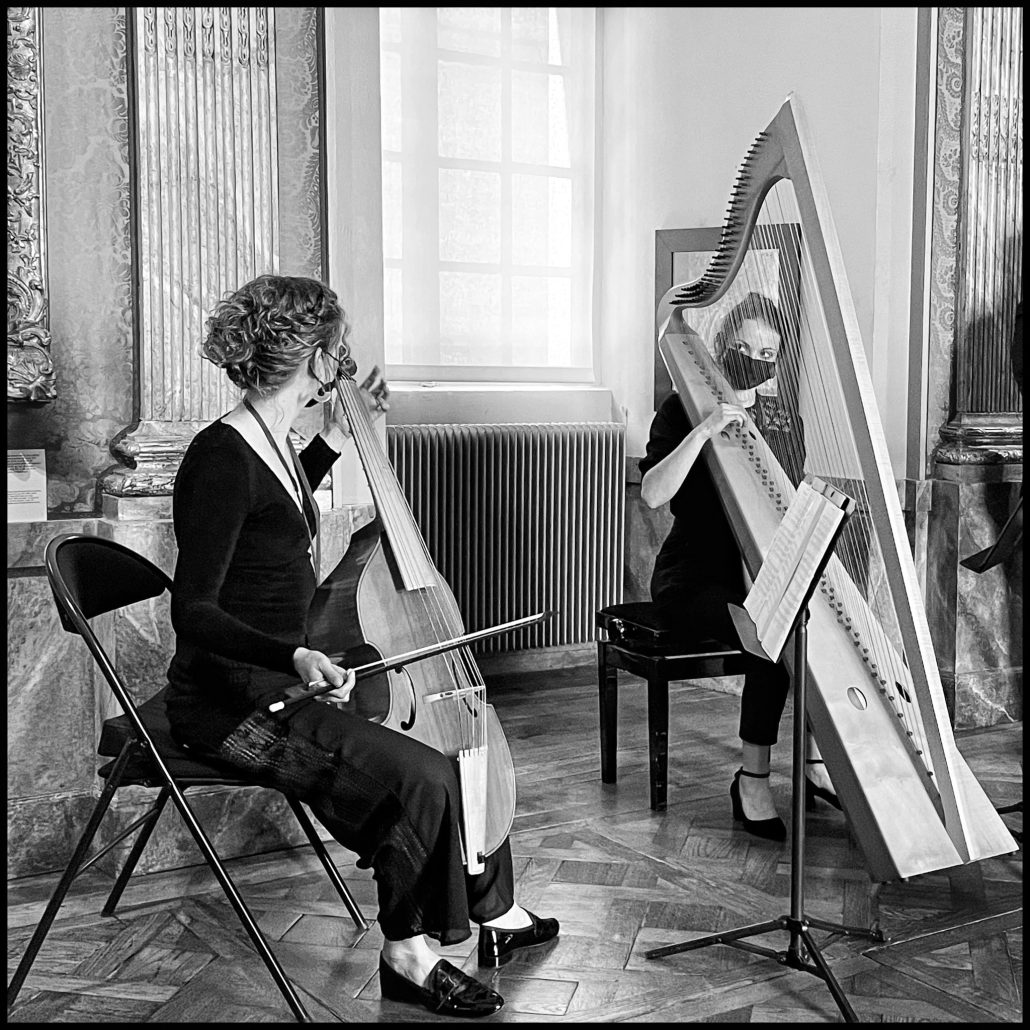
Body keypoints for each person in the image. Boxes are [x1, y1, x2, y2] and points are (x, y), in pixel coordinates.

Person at [165, 274, 558, 1018]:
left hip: (283, 684)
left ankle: (478, 911)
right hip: (228, 704)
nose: (341, 362)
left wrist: (335, 444)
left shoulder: (267, 444)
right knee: (419, 777)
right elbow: (194, 612)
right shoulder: (219, 457)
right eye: (337, 349)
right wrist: (293, 658)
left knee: (443, 758)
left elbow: (272, 513)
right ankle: (408, 954)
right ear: (316, 358)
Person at [640, 292, 839, 840]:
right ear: (723, 346)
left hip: (758, 572)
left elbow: (782, 505)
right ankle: (752, 782)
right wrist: (704, 430)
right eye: (746, 348)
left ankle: (814, 763)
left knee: (808, 625)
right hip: (692, 577)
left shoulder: (783, 420)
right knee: (768, 637)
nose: (756, 360)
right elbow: (653, 494)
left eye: (768, 353)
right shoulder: (681, 409)